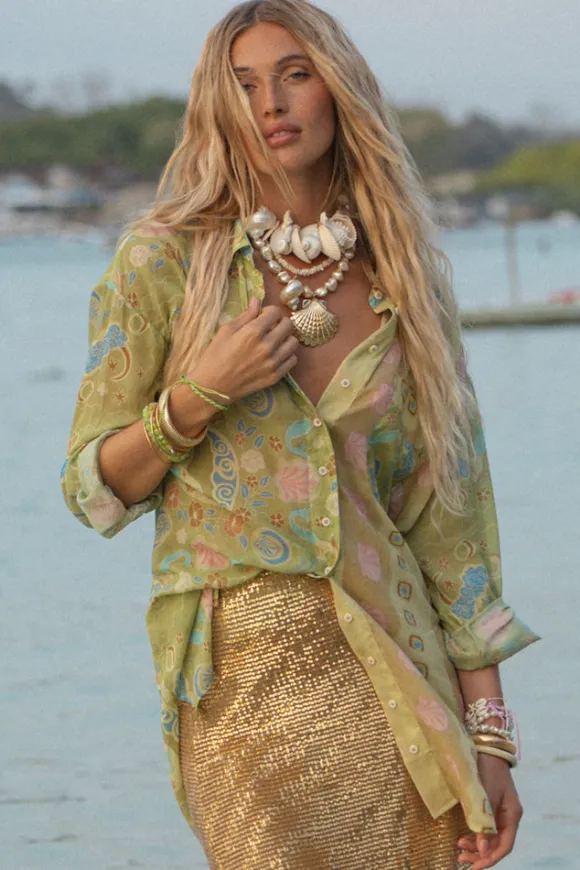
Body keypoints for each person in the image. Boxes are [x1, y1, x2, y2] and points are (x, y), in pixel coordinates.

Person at [61, 1, 540, 867]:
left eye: (294, 75)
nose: (270, 104)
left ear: (339, 89)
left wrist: (491, 737)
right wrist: (200, 394)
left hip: (400, 676)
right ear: (219, 106)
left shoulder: (405, 279)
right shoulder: (165, 261)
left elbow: (451, 527)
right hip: (240, 684)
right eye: (243, 85)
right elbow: (94, 489)